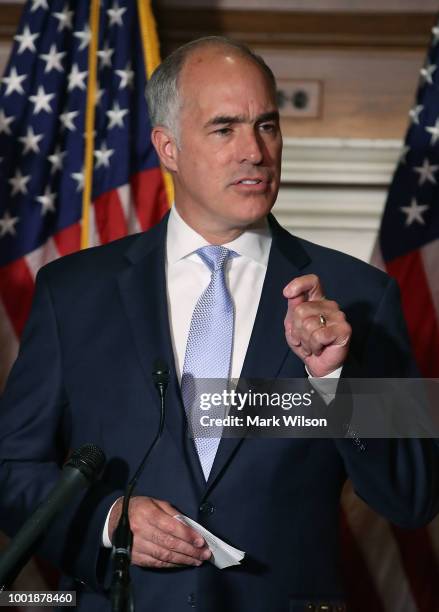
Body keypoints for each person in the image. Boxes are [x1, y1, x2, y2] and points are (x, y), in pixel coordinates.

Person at [0, 36, 438, 612]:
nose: (254, 151)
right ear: (169, 147)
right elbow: (11, 470)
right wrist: (109, 519)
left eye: (267, 125)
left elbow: (413, 495)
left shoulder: (359, 296)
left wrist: (335, 384)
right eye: (225, 128)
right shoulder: (75, 292)